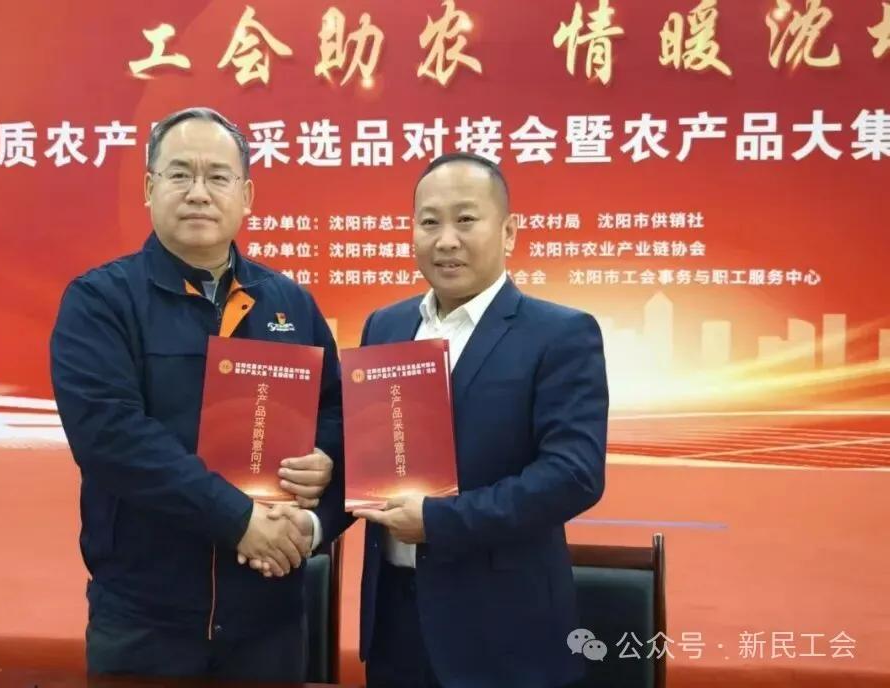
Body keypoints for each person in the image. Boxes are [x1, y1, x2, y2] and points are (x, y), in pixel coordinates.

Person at [49, 107, 345, 682]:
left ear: (246, 195)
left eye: (218, 176)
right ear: (149, 188)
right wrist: (239, 519)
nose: (199, 193)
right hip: (145, 619)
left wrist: (325, 468)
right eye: (180, 174)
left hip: (269, 614)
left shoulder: (289, 303)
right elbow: (113, 440)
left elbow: (338, 415)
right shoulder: (101, 301)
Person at [352, 152, 609, 687]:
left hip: (504, 633)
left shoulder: (559, 334)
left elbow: (573, 475)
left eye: (466, 219)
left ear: (508, 231)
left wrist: (439, 522)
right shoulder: (385, 326)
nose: (446, 240)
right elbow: (365, 451)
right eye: (429, 222)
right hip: (397, 625)